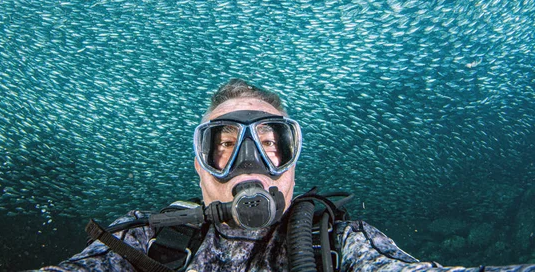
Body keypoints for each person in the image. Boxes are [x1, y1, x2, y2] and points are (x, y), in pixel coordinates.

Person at [34, 79, 535, 272]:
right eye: (224, 147)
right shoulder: (144, 238)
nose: (249, 167)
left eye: (271, 146)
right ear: (200, 164)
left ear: (291, 163)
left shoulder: (337, 245)